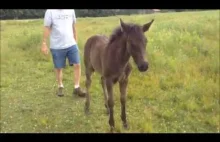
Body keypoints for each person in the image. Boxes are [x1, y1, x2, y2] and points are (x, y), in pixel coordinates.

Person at [41, 9, 86, 97]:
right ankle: (60, 86)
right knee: (58, 68)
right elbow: (47, 27)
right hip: (57, 46)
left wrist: (75, 41)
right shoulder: (50, 12)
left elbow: (73, 26)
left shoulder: (71, 10)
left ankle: (77, 87)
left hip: (71, 44)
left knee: (77, 64)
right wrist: (44, 43)